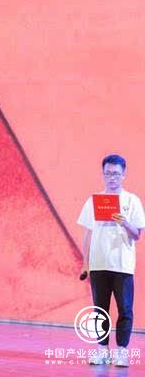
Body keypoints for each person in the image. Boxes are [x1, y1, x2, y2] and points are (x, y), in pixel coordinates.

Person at [79, 154, 145, 367]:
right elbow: (87, 233)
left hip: (123, 264)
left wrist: (125, 223)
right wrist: (86, 262)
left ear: (123, 175)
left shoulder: (132, 201)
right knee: (100, 310)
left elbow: (137, 235)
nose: (112, 178)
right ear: (103, 174)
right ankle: (102, 350)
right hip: (99, 263)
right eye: (108, 174)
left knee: (125, 309)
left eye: (116, 174)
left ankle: (122, 352)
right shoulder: (93, 201)